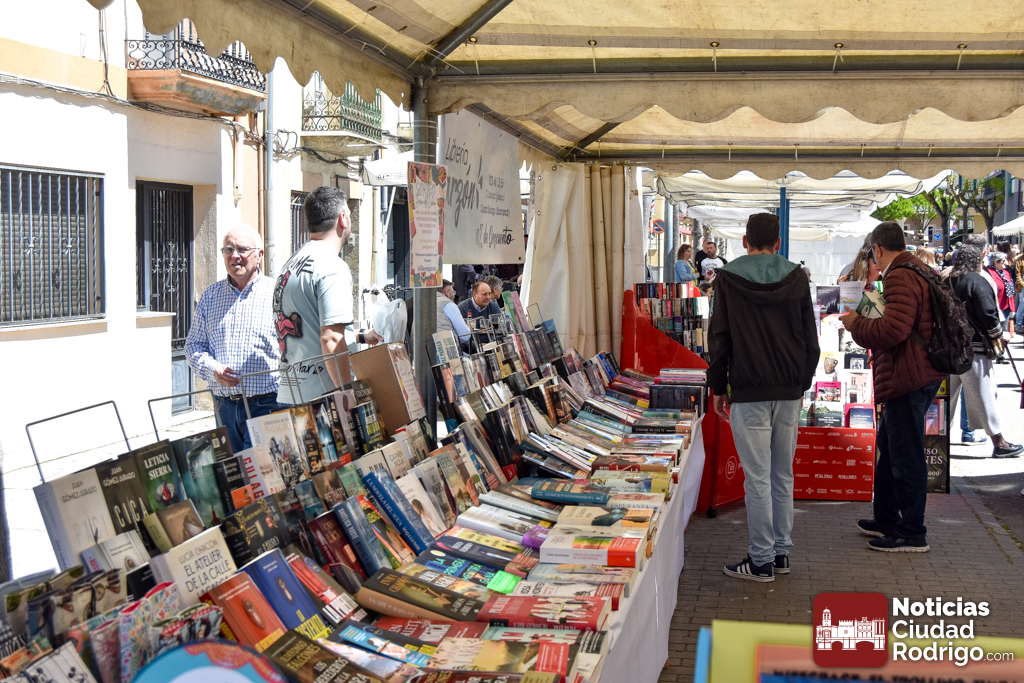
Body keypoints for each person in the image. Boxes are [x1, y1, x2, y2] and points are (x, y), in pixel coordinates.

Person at [708, 213, 819, 582]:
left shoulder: (727, 277)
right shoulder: (797, 276)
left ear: (744, 241)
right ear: (778, 242)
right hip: (788, 390)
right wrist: (802, 384)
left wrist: (718, 388)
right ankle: (780, 553)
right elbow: (811, 339)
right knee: (781, 474)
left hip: (748, 389)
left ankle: (760, 560)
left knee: (757, 478)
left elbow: (720, 338)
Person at [839, 222, 946, 553]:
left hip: (908, 377)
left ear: (878, 249)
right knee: (890, 446)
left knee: (904, 452)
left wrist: (857, 324)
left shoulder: (900, 275)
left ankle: (912, 531)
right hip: (915, 372)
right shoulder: (918, 269)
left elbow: (893, 331)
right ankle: (887, 518)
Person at [274, 187, 382, 404]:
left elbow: (312, 329)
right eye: (349, 215)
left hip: (291, 393)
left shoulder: (292, 262)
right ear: (342, 219)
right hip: (321, 396)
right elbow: (330, 338)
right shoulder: (332, 266)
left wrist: (361, 336)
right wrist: (346, 393)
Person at [185, 225, 285, 453]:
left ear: (259, 255)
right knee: (233, 472)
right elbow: (193, 346)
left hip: (267, 404)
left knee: (262, 470)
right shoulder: (210, 297)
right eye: (228, 249)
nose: (234, 255)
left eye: (242, 249)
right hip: (224, 408)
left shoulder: (278, 294)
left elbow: (295, 346)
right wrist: (213, 370)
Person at [947, 243, 1023, 458]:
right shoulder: (977, 281)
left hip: (947, 347)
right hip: (974, 347)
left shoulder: (945, 280)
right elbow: (988, 314)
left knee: (944, 399)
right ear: (977, 260)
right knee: (984, 394)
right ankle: (1000, 442)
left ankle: (931, 440)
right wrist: (999, 335)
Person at [986, 251, 1015, 356]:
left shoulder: (1006, 273)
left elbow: (1010, 292)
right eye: (1003, 261)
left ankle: (1001, 353)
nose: (1006, 263)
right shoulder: (989, 273)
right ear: (996, 262)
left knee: (1004, 330)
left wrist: (1012, 308)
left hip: (1006, 306)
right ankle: (997, 352)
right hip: (996, 306)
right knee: (997, 331)